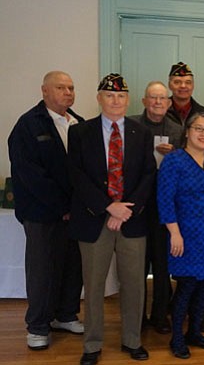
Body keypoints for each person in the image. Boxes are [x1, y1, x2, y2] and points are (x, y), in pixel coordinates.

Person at [68, 74, 155, 364]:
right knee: (93, 286)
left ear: (127, 99)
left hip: (132, 220)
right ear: (98, 98)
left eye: (120, 96)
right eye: (109, 95)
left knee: (134, 284)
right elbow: (77, 176)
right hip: (95, 220)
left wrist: (126, 209)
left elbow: (147, 174)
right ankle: (92, 345)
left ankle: (132, 340)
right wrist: (108, 207)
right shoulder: (80, 132)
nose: (115, 100)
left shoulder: (141, 132)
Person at [8, 70, 85, 350]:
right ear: (44, 91)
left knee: (72, 266)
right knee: (42, 270)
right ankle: (38, 326)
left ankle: (65, 315)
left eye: (71, 88)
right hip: (42, 215)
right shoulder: (28, 125)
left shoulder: (79, 124)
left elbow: (85, 171)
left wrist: (77, 207)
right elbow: (30, 175)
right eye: (61, 87)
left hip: (74, 215)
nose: (68, 92)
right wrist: (61, 206)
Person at [158, 113, 204, 359]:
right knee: (187, 285)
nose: (203, 134)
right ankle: (177, 338)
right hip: (186, 235)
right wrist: (174, 233)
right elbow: (165, 199)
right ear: (187, 131)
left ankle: (195, 332)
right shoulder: (174, 161)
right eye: (198, 129)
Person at [131, 81, 182, 334]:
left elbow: (187, 164)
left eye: (163, 99)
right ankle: (136, 317)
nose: (158, 103)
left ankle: (161, 316)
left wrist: (174, 155)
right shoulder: (131, 125)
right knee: (137, 264)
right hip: (137, 205)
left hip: (166, 205)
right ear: (144, 101)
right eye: (153, 98)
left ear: (169, 103)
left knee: (162, 265)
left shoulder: (177, 129)